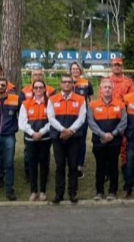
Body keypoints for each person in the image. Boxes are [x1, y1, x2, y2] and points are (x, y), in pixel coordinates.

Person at [47, 75, 87, 204]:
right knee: (59, 166)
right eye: (64, 82)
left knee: (73, 166)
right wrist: (63, 130)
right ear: (60, 84)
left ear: (73, 85)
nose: (67, 84)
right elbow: (51, 118)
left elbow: (82, 118)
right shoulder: (52, 99)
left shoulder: (81, 99)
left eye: (69, 82)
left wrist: (70, 131)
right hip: (58, 137)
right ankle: (59, 194)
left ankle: (72, 193)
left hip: (74, 138)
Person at [88, 79, 127, 201]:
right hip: (99, 140)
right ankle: (99, 192)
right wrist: (103, 135)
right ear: (101, 89)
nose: (107, 89)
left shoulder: (120, 104)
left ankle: (112, 192)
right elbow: (91, 122)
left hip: (114, 141)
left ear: (113, 89)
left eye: (109, 87)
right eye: (105, 87)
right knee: (100, 167)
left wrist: (113, 134)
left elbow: (124, 122)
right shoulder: (93, 104)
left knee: (113, 166)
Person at [19, 69, 56, 183]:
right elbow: (22, 109)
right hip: (30, 127)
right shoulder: (24, 91)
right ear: (31, 76)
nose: (38, 76)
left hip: (46, 129)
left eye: (40, 74)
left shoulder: (51, 90)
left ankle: (45, 174)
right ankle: (29, 174)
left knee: (45, 153)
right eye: (35, 74)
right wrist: (30, 130)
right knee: (28, 153)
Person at [18, 80, 52, 202]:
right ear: (32, 90)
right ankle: (33, 191)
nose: (38, 89)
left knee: (44, 164)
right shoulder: (26, 104)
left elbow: (51, 121)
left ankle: (42, 191)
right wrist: (33, 133)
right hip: (30, 139)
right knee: (32, 165)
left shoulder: (49, 103)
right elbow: (22, 123)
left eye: (40, 87)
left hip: (45, 138)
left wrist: (41, 132)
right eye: (36, 87)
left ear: (44, 89)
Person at [70, 62, 93, 179]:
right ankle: (71, 165)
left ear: (80, 70)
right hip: (69, 116)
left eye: (77, 69)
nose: (75, 71)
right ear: (70, 71)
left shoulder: (86, 83)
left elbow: (91, 101)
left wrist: (92, 115)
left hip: (82, 116)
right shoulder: (67, 82)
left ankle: (79, 166)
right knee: (70, 140)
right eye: (73, 69)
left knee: (81, 141)